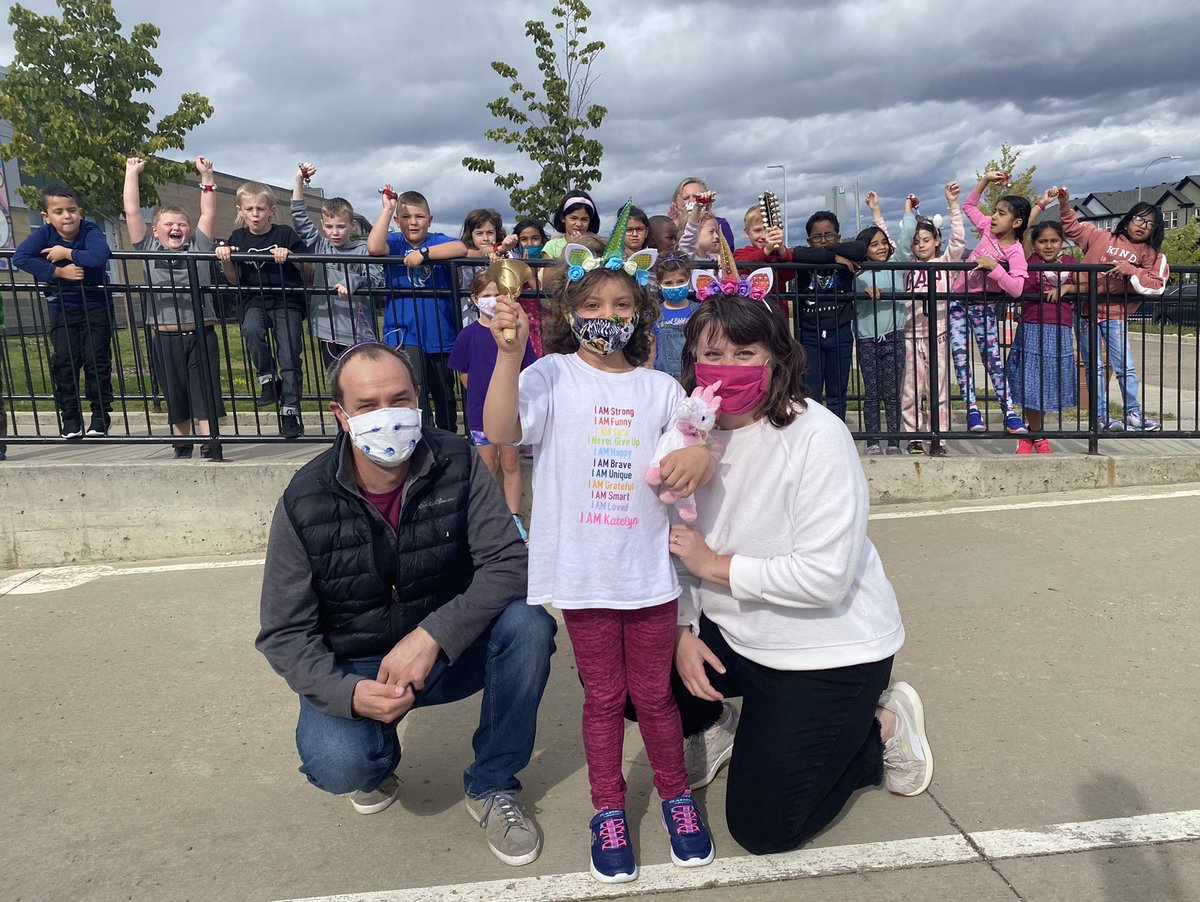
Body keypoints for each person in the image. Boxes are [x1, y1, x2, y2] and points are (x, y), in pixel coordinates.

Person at [256, 342, 556, 866]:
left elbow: (510, 563)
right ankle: (375, 759)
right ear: (340, 415)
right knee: (338, 764)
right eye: (368, 405)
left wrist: (432, 636)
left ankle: (491, 784)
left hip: (449, 648)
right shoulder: (304, 500)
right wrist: (347, 694)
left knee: (528, 624)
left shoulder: (458, 461)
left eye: (399, 399)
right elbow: (283, 633)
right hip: (361, 660)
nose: (387, 415)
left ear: (419, 399)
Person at [484, 215, 717, 884]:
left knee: (654, 695)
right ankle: (608, 809)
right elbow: (502, 429)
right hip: (585, 576)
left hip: (648, 574)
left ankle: (675, 796)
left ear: (641, 312)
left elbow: (685, 451)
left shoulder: (660, 388)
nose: (607, 316)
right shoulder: (552, 375)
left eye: (621, 305)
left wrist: (697, 455)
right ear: (569, 310)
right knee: (603, 697)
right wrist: (508, 354)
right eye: (592, 305)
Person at [665, 295, 933, 855]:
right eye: (714, 352)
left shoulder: (816, 434)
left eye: (746, 352)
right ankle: (715, 729)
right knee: (633, 661)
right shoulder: (689, 433)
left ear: (776, 358)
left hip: (825, 648)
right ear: (691, 360)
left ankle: (880, 726)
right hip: (734, 634)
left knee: (764, 829)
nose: (730, 366)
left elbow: (825, 578)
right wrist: (681, 633)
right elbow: (671, 541)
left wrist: (714, 565)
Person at [123, 155, 226, 459]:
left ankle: (211, 443)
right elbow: (131, 211)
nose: (177, 228)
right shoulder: (149, 248)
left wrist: (206, 178)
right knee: (175, 393)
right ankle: (182, 445)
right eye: (169, 224)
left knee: (204, 391)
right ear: (156, 231)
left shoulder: (199, 247)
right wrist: (132, 173)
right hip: (165, 335)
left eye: (182, 224)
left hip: (200, 333)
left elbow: (208, 212)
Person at [1056, 188, 1168, 431]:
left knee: (1124, 366)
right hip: (1085, 311)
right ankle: (1100, 416)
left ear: (1155, 230)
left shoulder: (1151, 255)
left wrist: (1132, 271)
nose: (1141, 226)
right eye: (1138, 219)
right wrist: (1065, 204)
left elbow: (1156, 285)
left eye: (1149, 224)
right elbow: (1072, 229)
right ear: (1128, 220)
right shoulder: (1100, 237)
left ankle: (1133, 412)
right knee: (1094, 367)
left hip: (1116, 314)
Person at [13, 184, 113, 440]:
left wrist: (65, 253)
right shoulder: (45, 234)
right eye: (58, 211)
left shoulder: (90, 230)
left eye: (71, 210)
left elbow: (99, 256)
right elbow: (21, 257)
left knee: (96, 362)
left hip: (96, 306)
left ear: (79, 211)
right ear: (47, 216)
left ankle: (100, 417)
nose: (67, 216)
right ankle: (70, 418)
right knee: (65, 363)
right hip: (62, 308)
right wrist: (59, 272)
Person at [367, 188, 469, 432]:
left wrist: (423, 254)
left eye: (420, 216)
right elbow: (373, 246)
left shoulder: (437, 240)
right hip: (404, 334)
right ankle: (420, 438)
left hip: (440, 333)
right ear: (397, 221)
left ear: (430, 220)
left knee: (444, 391)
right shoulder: (394, 242)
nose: (413, 222)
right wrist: (388, 209)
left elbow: (461, 249)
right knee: (413, 390)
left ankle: (447, 437)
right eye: (406, 217)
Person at [215, 182, 310, 439]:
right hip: (255, 299)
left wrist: (290, 255)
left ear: (271, 210)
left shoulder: (285, 233)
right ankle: (268, 378)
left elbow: (309, 268)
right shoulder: (238, 238)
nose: (255, 214)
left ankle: (289, 411)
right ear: (240, 211)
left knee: (289, 355)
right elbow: (234, 279)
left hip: (286, 300)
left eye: (260, 208)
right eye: (249, 209)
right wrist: (226, 261)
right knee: (251, 330)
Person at [449, 270, 537, 538]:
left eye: (497, 294)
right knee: (487, 467)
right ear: (475, 299)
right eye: (486, 295)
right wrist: (486, 400)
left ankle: (513, 517)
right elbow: (463, 373)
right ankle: (489, 518)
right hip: (479, 414)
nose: (492, 300)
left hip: (512, 415)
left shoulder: (516, 333)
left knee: (510, 464)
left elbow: (527, 370)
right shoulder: (468, 335)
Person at [948, 172, 1031, 435]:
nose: (994, 216)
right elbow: (969, 206)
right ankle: (972, 408)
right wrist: (985, 180)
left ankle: (1009, 411)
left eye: (1002, 213)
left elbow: (1017, 288)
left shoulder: (1015, 251)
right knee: (960, 357)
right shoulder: (987, 229)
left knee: (992, 359)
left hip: (982, 305)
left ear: (1016, 222)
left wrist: (994, 267)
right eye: (995, 211)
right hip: (957, 301)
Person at [290, 163, 377, 367]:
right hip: (326, 327)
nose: (335, 232)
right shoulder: (320, 245)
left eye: (341, 226)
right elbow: (299, 218)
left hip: (357, 329)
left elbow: (375, 279)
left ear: (352, 226)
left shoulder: (362, 250)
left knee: (359, 378)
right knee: (334, 379)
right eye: (329, 226)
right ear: (322, 225)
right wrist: (298, 180)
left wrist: (353, 282)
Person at [900, 183, 965, 454]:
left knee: (938, 391)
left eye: (926, 240)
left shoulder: (945, 263)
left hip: (938, 333)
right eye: (917, 241)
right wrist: (904, 212)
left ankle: (938, 437)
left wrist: (952, 204)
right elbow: (899, 242)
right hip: (911, 336)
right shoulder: (907, 267)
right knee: (911, 390)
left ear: (937, 241)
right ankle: (914, 437)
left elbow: (959, 239)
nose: (920, 245)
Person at [1007, 204, 1078, 453]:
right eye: (1043, 241)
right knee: (1030, 382)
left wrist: (1067, 288)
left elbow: (1085, 285)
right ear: (1035, 244)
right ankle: (1035, 434)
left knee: (1048, 383)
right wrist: (1039, 206)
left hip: (1059, 329)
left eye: (1054, 241)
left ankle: (1034, 430)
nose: (1048, 246)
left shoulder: (1070, 263)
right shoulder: (1029, 260)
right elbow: (1025, 233)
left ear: (1062, 242)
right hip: (1031, 328)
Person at [790, 212, 868, 421]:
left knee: (837, 393)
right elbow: (795, 253)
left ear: (838, 237)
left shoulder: (850, 254)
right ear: (809, 240)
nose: (823, 240)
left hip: (839, 333)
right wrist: (833, 257)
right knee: (810, 393)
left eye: (829, 235)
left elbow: (860, 248)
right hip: (809, 335)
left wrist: (829, 252)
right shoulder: (804, 258)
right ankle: (813, 438)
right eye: (817, 237)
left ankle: (837, 435)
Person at [854, 193, 912, 455]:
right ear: (863, 249)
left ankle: (893, 441)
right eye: (873, 244)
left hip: (894, 336)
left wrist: (907, 209)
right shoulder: (857, 275)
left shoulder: (896, 266)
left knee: (892, 392)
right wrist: (862, 291)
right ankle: (873, 441)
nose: (880, 247)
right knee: (872, 392)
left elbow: (906, 237)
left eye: (883, 243)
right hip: (867, 339)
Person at [652, 256, 697, 381]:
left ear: (689, 281)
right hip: (664, 378)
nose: (675, 286)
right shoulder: (655, 314)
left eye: (681, 281)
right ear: (659, 285)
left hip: (693, 377)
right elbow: (651, 349)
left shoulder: (699, 311)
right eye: (668, 283)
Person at [667, 177, 737, 251]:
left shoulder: (720, 224)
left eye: (696, 196)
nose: (691, 201)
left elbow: (726, 252)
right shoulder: (672, 226)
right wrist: (677, 225)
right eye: (686, 198)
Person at [542, 190, 600, 260]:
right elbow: (548, 271)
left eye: (584, 219)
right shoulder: (552, 246)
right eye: (573, 218)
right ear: (563, 218)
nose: (579, 224)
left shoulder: (597, 246)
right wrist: (569, 248)